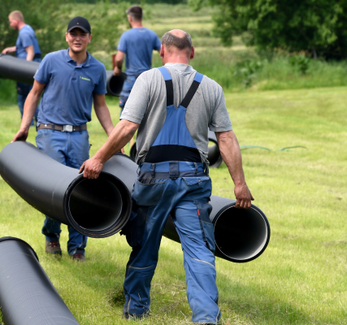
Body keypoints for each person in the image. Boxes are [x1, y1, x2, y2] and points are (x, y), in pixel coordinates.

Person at [80, 29, 254, 323]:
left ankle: (136, 310)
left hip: (153, 180)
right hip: (194, 180)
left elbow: (126, 127)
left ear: (162, 50)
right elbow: (226, 139)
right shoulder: (212, 87)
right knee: (199, 250)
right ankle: (206, 318)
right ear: (193, 51)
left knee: (145, 244)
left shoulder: (148, 79)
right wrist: (240, 184)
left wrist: (98, 158)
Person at [12, 16, 117, 262]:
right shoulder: (50, 61)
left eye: (83, 34)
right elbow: (34, 94)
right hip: (50, 132)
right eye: (73, 34)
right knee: (54, 189)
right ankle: (51, 235)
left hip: (79, 135)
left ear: (90, 38)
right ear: (67, 36)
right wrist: (24, 126)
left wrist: (114, 137)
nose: (78, 38)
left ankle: (77, 247)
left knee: (82, 189)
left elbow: (100, 106)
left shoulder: (97, 69)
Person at [114, 5, 161, 111]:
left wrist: (118, 68)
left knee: (126, 113)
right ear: (141, 17)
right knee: (147, 112)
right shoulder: (151, 35)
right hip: (148, 80)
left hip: (131, 79)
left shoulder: (126, 35)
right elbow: (164, 52)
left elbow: (119, 58)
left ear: (130, 18)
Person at [1, 10, 42, 125]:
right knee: (32, 95)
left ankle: (30, 123)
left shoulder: (24, 33)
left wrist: (23, 70)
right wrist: (12, 49)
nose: (10, 24)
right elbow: (24, 46)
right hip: (34, 66)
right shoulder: (28, 29)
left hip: (28, 68)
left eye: (10, 22)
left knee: (25, 96)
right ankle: (35, 122)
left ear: (16, 21)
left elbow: (30, 52)